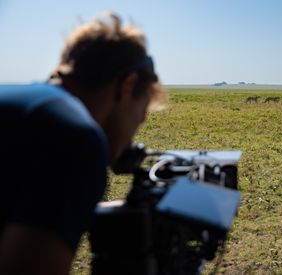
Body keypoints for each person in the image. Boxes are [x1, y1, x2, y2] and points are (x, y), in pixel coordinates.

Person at [0, 12, 165, 275]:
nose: (131, 139)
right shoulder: (74, 138)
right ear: (127, 85)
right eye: (141, 113)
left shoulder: (27, 107)